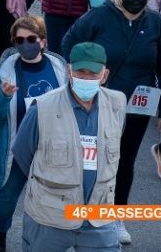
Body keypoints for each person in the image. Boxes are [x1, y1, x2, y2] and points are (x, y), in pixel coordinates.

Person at [61, 0, 161, 245]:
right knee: (94, 159)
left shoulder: (156, 24)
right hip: (98, 102)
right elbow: (68, 44)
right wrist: (81, 77)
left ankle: (115, 217)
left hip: (138, 105)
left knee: (125, 160)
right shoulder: (98, 17)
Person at [10, 42, 126, 251]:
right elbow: (22, 152)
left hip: (98, 218)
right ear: (68, 71)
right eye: (80, 72)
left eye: (93, 73)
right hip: (50, 216)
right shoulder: (42, 108)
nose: (86, 78)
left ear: (105, 75)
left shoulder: (118, 104)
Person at [0, 16, 69, 252]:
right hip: (17, 148)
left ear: (43, 41)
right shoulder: (4, 71)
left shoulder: (60, 68)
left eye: (31, 39)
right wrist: (4, 96)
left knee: (53, 198)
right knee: (7, 198)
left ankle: (46, 240)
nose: (25, 44)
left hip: (53, 148)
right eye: (19, 40)